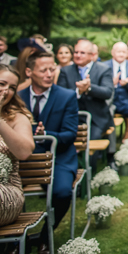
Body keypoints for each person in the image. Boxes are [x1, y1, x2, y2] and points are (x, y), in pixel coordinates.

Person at [18, 51, 79, 252]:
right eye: (43, 70)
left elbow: (70, 134)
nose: (49, 74)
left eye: (52, 69)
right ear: (29, 72)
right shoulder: (18, 98)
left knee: (62, 192)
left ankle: (44, 236)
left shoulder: (66, 96)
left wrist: (47, 134)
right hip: (23, 160)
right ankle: (14, 241)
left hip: (58, 157)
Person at [57, 39, 114, 167]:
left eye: (82, 53)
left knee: (91, 145)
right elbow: (60, 95)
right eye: (76, 52)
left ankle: (88, 175)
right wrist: (78, 91)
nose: (78, 55)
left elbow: (107, 92)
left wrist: (89, 88)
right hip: (70, 118)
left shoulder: (103, 70)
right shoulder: (66, 71)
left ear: (91, 55)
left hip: (96, 118)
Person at [0, 64, 35, 226]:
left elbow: (24, 152)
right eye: (2, 84)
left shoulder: (17, 118)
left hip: (7, 191)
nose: (6, 91)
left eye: (12, 87)